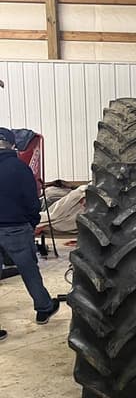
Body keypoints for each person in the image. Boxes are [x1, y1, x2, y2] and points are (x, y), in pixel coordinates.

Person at [0, 127, 59, 330]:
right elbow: (32, 202)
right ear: (12, 144)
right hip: (16, 228)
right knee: (29, 270)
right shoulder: (19, 168)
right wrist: (32, 222)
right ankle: (44, 309)